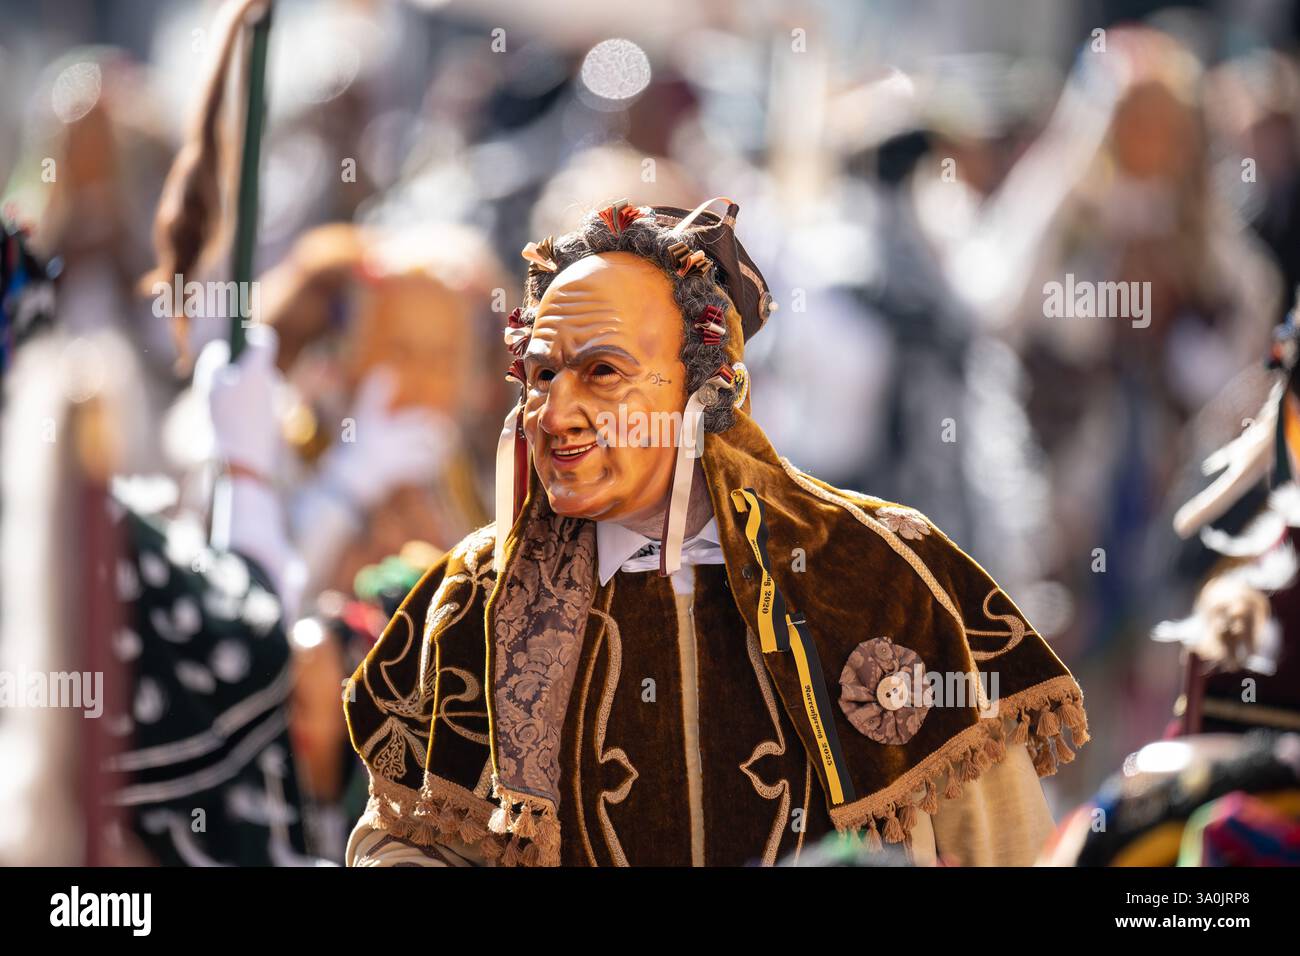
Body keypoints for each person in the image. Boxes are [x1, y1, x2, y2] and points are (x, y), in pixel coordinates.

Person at [343, 199, 1090, 866]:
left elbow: (1002, 847)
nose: (555, 411)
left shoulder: (881, 573)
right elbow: (400, 837)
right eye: (541, 376)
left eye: (602, 371)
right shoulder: (479, 596)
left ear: (706, 389)